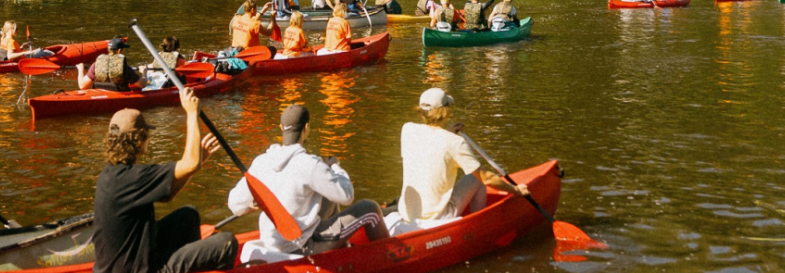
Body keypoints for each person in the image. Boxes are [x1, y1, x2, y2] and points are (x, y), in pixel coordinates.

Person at [91, 92, 237, 273]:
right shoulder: (134, 177)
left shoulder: (110, 175)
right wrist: (192, 112)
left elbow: (169, 193)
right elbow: (190, 164)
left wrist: (199, 159)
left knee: (188, 216)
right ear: (140, 139)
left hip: (123, 266)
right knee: (226, 243)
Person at [227, 104, 389, 263]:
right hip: (302, 246)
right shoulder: (310, 164)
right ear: (306, 128)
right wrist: (335, 167)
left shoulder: (261, 162)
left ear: (281, 128)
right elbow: (347, 196)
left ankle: (342, 250)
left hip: (273, 242)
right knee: (370, 209)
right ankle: (392, 258)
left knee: (329, 197)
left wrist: (254, 205)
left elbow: (235, 205)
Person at [392, 88, 530, 232]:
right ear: (445, 111)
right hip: (437, 218)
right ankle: (479, 227)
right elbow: (487, 178)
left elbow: (430, 143)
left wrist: (447, 133)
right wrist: (516, 190)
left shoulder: (407, 129)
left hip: (407, 214)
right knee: (476, 178)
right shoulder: (455, 143)